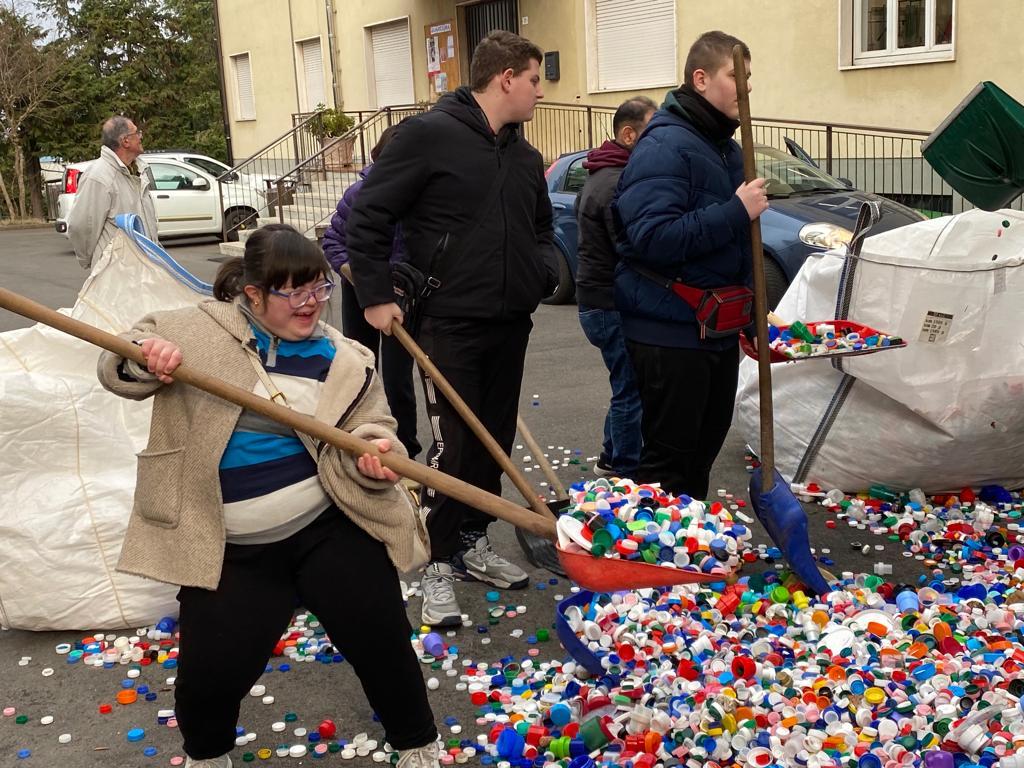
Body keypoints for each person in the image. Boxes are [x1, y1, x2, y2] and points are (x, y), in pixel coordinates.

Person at [96, 223, 439, 768]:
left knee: (383, 641)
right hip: (233, 545)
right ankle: (209, 756)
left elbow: (374, 424)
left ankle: (418, 743)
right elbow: (120, 365)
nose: (311, 303)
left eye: (319, 288)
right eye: (293, 291)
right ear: (252, 294)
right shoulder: (195, 330)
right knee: (211, 672)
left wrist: (377, 452)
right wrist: (147, 356)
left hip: (328, 527)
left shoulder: (345, 356)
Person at [346, 30, 558, 627]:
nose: (541, 93)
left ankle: (471, 541)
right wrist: (376, 296)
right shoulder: (427, 137)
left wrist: (540, 274)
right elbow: (368, 216)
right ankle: (435, 560)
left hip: (510, 321)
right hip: (448, 322)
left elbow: (541, 231)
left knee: (494, 438)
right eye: (536, 80)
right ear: (506, 78)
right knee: (454, 444)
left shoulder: (523, 156)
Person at [612, 31, 768, 500]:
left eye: (749, 77)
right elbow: (651, 238)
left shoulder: (724, 148)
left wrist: (754, 314)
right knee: (668, 464)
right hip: (669, 331)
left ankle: (689, 551)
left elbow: (735, 248)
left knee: (700, 454)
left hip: (714, 330)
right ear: (700, 80)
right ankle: (653, 565)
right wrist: (735, 211)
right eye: (734, 76)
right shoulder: (666, 146)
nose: (746, 87)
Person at [322, 124, 420, 460]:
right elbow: (333, 240)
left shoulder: (422, 196)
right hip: (360, 290)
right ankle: (358, 437)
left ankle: (404, 445)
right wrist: (358, 275)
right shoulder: (360, 193)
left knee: (397, 375)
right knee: (360, 363)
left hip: (401, 295)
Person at [575, 95, 657, 479]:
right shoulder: (614, 183)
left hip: (598, 299)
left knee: (626, 384)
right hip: (607, 301)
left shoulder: (603, 174)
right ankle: (624, 469)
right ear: (628, 134)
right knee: (631, 388)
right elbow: (628, 245)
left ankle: (612, 456)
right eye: (651, 133)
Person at [68, 116, 159, 270]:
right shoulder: (99, 176)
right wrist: (96, 262)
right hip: (115, 276)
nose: (141, 136)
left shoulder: (137, 172)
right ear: (125, 141)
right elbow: (80, 227)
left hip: (142, 272)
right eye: (137, 133)